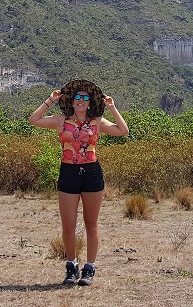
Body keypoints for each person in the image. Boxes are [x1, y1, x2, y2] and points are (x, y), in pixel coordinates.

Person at [28, 79, 129, 286]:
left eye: (85, 98)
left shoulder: (97, 122)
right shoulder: (60, 120)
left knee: (91, 225)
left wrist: (112, 108)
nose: (81, 100)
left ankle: (89, 268)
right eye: (77, 97)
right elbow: (34, 119)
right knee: (68, 225)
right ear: (72, 101)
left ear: (90, 103)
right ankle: (71, 266)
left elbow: (123, 130)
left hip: (92, 173)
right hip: (68, 173)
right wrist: (50, 100)